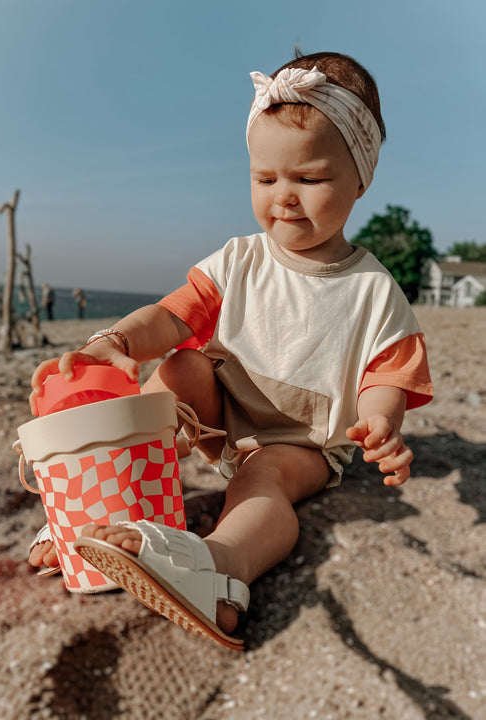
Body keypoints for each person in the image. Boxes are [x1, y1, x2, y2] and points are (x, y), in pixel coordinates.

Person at [29, 51, 433, 650]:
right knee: (179, 365)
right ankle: (109, 497)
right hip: (223, 413)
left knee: (261, 479)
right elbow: (171, 315)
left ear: (360, 179)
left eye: (309, 179)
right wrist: (114, 341)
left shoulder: (372, 289)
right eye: (266, 179)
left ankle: (219, 569)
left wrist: (380, 420)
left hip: (302, 442)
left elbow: (388, 371)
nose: (285, 198)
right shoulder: (240, 260)